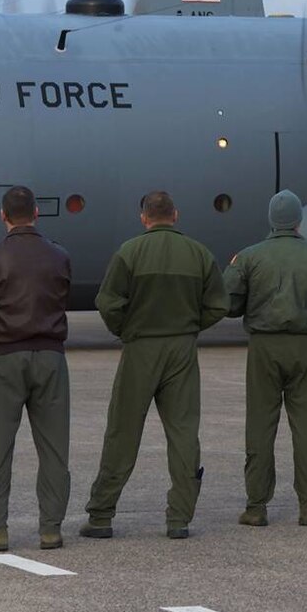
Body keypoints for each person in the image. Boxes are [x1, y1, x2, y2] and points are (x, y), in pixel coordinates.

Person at [81, 190, 228, 541]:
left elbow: (108, 302)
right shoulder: (199, 253)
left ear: (144, 217)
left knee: (123, 430)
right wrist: (191, 325)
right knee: (183, 432)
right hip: (182, 348)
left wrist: (126, 329)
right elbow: (218, 305)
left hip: (141, 348)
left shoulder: (130, 252)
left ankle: (101, 515)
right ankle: (179, 518)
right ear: (175, 215)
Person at [224, 189, 307, 526]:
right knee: (306, 426)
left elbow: (228, 303)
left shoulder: (250, 257)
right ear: (299, 220)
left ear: (271, 220)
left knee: (259, 425)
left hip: (263, 348)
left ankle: (255, 507)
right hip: (304, 346)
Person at [0, 186, 72, 553]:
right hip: (52, 356)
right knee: (54, 447)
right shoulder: (59, 255)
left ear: (3, 215)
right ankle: (51, 528)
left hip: (7, 355)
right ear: (37, 213)